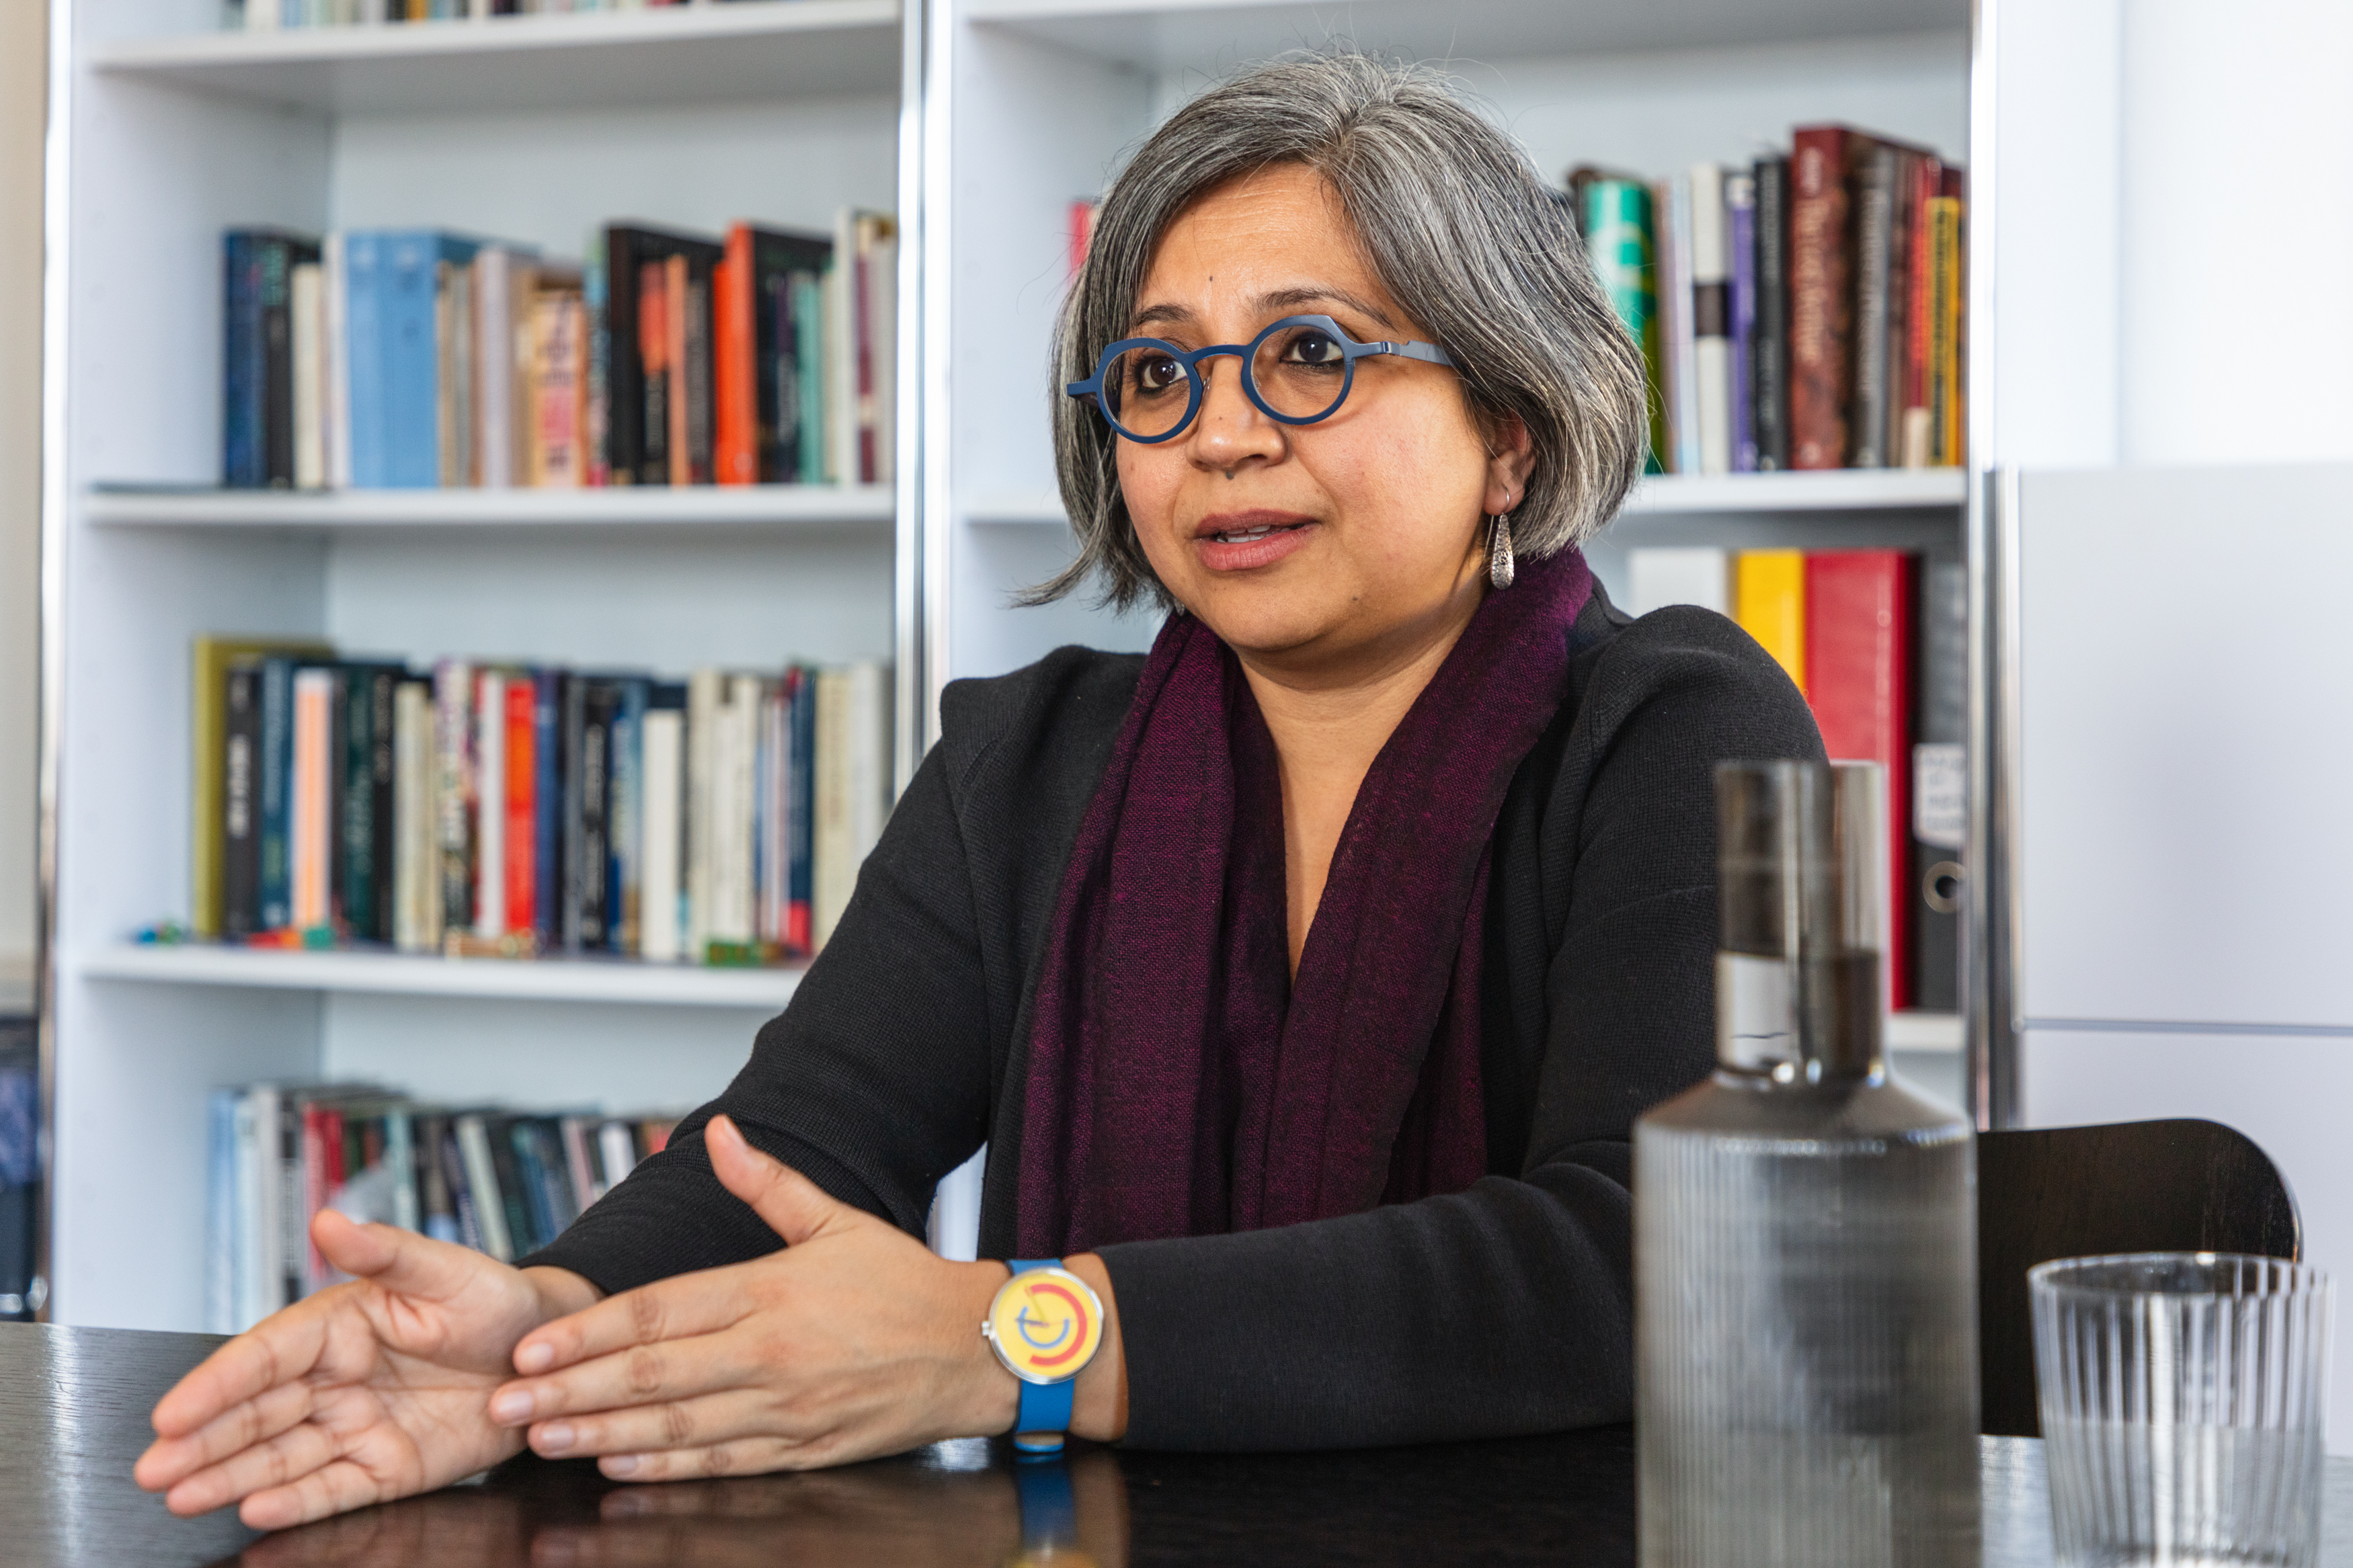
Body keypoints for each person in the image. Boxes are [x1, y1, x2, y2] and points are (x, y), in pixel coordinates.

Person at [136, 51, 1820, 1530]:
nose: (1220, 436)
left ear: (1510, 431)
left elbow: (1649, 1262)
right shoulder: (1029, 758)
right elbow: (790, 1154)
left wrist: (1010, 1335)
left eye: (1309, 354)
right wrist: (540, 1328)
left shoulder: (1675, 724)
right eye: (1157, 378)